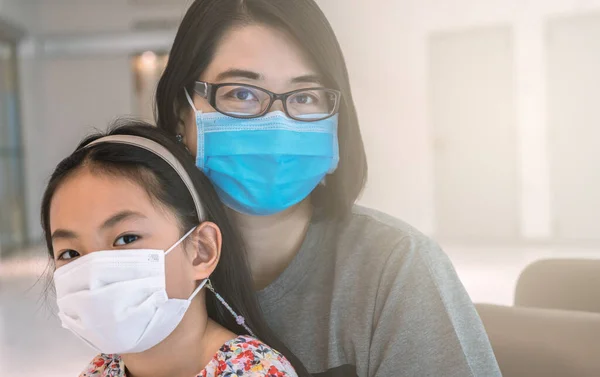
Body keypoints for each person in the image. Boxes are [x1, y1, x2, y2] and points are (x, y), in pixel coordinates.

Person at [154, 1, 502, 376]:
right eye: (242, 94)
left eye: (304, 97)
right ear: (181, 111)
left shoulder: (395, 266)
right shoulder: (148, 266)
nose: (277, 124)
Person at [40, 121, 312, 377]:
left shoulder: (255, 371)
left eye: (126, 238)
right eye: (70, 254)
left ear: (201, 250)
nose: (94, 274)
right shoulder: (101, 369)